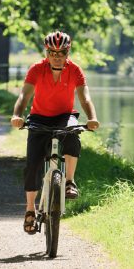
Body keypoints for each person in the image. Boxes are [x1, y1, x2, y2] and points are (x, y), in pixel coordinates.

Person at [10, 30, 100, 235]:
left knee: (72, 133)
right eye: (52, 52)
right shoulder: (36, 69)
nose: (57, 56)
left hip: (64, 116)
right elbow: (24, 96)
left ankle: (69, 181)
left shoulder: (75, 70)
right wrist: (17, 115)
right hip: (39, 117)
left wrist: (92, 118)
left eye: (61, 52)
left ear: (68, 52)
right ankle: (30, 209)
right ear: (47, 52)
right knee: (32, 164)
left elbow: (85, 98)